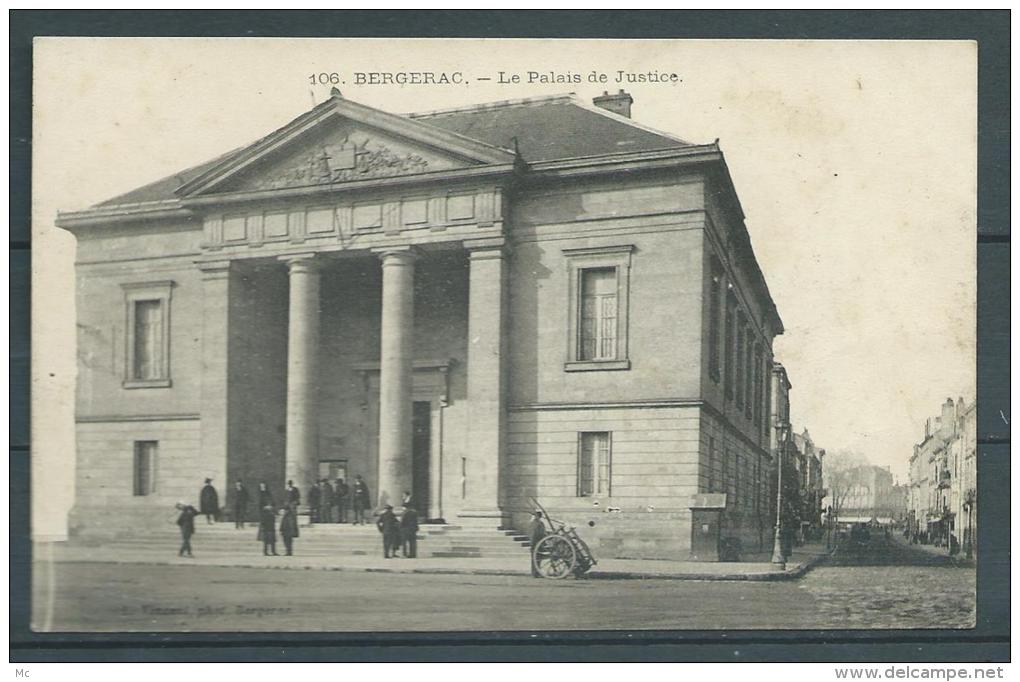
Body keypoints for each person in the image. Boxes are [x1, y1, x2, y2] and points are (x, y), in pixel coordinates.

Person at [528, 510, 547, 578]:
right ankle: (534, 573)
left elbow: (543, 533)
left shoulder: (538, 523)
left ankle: (537, 572)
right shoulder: (536, 524)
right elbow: (533, 534)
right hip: (536, 543)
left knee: (538, 559)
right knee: (535, 559)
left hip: (539, 543)